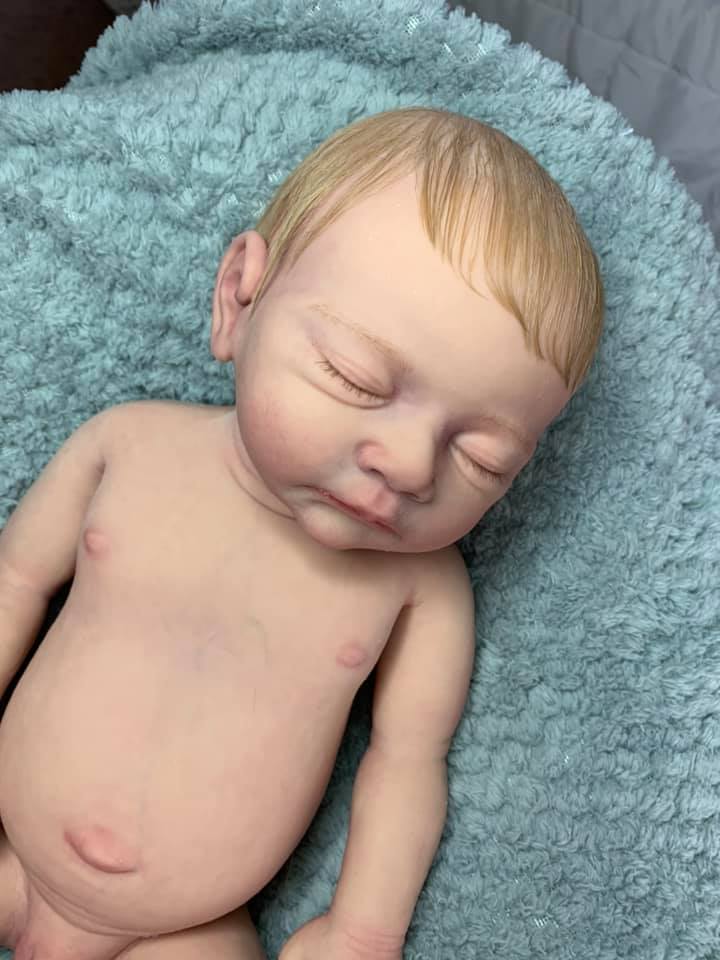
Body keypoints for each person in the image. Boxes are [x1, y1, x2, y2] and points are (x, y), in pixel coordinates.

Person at [0, 106, 603, 960]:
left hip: (187, 932)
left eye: (484, 458)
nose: (410, 465)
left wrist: (362, 931)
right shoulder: (124, 446)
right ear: (239, 300)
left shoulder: (422, 592)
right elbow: (13, 584)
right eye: (356, 379)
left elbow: (406, 763)